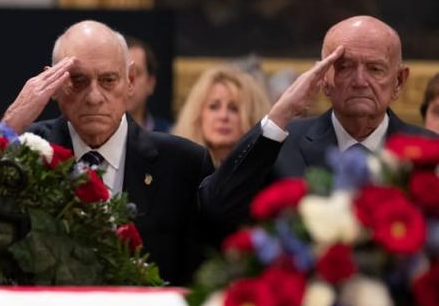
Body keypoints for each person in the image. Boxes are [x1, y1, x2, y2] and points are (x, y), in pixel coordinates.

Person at [2, 20, 233, 286]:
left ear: (130, 81)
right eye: (78, 81)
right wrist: (10, 126)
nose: (94, 97)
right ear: (53, 83)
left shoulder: (183, 164)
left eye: (108, 80)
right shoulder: (25, 151)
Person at [217, 15, 433, 189]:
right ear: (323, 77)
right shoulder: (282, 147)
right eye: (344, 67)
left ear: (398, 81)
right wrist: (281, 113)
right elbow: (217, 208)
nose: (359, 81)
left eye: (375, 69)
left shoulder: (430, 151)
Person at [172, 65, 272, 165]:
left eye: (234, 109)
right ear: (197, 115)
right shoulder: (175, 167)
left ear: (253, 116)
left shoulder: (271, 173)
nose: (223, 116)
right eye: (214, 107)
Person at [126, 38, 171, 132]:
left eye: (135, 73)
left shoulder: (171, 135)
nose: (127, 82)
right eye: (119, 74)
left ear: (150, 83)